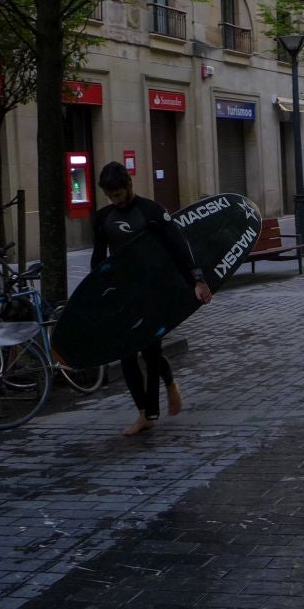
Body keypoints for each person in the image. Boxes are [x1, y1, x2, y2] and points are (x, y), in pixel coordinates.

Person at [90, 162, 212, 435]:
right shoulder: (102, 219)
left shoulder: (152, 212)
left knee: (150, 351)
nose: (115, 201)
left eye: (118, 194)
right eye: (110, 196)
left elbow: (179, 246)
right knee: (126, 354)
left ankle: (159, 400)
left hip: (155, 290)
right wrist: (97, 293)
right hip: (125, 292)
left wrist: (198, 280)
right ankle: (145, 412)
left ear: (129, 185)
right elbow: (98, 260)